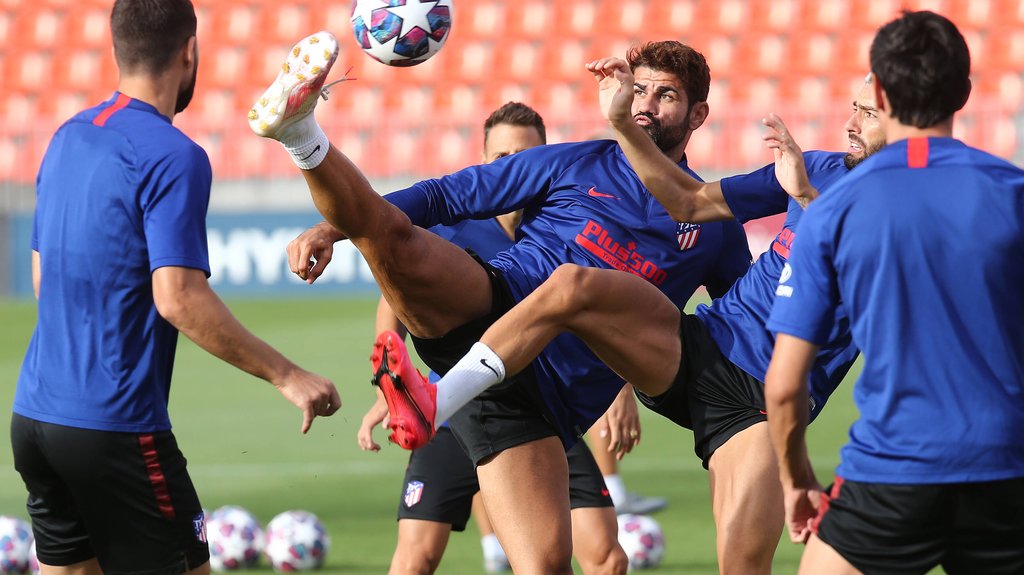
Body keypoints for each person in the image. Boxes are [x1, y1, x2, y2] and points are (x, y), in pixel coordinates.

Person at [365, 55, 889, 573]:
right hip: (702, 349)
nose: (849, 122)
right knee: (572, 285)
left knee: (742, 561)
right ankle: (435, 400)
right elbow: (689, 201)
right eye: (853, 107)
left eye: (866, 112)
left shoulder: (906, 212)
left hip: (762, 400)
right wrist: (620, 122)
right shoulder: (821, 163)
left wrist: (807, 200)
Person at [253, 34, 751, 573]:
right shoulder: (573, 162)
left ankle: (434, 400)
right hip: (492, 308)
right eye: (640, 91)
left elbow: (738, 329)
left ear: (698, 113)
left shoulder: (713, 228)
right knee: (389, 235)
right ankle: (301, 133)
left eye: (666, 96)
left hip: (540, 405)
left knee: (544, 566)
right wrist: (332, 229)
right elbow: (446, 196)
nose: (647, 106)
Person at [9, 2, 341, 573]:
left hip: (35, 421)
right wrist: (288, 375)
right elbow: (178, 296)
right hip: (116, 428)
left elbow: (45, 279)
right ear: (190, 51)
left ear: (117, 48)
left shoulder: (67, 137)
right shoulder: (173, 155)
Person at [764, 10, 1024, 575]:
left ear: (878, 92)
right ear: (964, 91)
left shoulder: (833, 207)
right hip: (1008, 470)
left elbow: (784, 386)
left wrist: (796, 481)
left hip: (891, 472)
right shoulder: (1013, 193)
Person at [357, 102, 627, 575]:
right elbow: (396, 296)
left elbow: (597, 310)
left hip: (540, 406)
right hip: (453, 405)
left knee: (606, 557)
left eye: (524, 155)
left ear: (545, 159)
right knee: (415, 558)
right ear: (483, 159)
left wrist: (620, 387)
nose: (512, 166)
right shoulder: (452, 227)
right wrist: (388, 381)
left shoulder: (570, 223)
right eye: (501, 157)